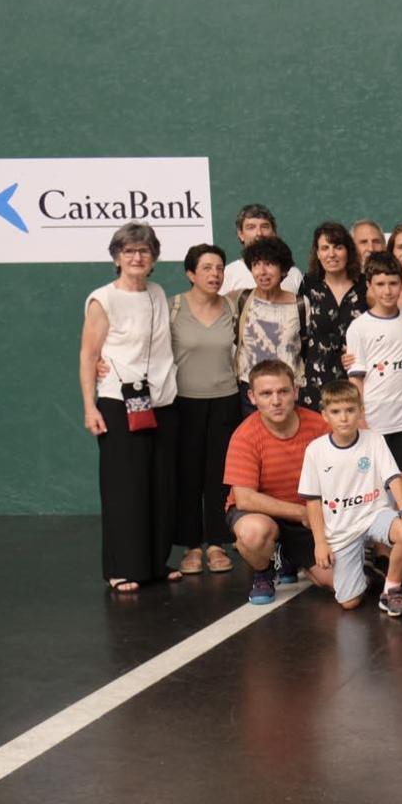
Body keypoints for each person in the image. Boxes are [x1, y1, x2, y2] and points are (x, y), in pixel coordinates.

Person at [81, 222, 182, 592]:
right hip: (117, 403)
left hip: (161, 402)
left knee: (158, 485)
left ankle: (153, 562)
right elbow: (88, 354)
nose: (136, 257)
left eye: (143, 251)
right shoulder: (102, 299)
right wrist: (90, 406)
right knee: (125, 487)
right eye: (129, 251)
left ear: (153, 257)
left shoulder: (157, 292)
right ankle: (120, 567)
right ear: (116, 257)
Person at [299, 380, 402, 616]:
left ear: (361, 411)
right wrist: (320, 542)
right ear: (325, 415)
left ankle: (392, 591)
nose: (344, 418)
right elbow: (313, 501)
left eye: (350, 410)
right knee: (350, 602)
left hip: (374, 514)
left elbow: (393, 478)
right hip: (342, 527)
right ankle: (364, 569)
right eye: (336, 412)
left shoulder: (374, 439)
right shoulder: (315, 450)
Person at [223, 360, 330, 605]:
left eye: (283, 391)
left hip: (307, 514)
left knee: (333, 583)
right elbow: (245, 498)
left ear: (296, 391)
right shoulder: (244, 436)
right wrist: (302, 512)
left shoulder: (319, 427)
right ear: (252, 397)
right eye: (266, 393)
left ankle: (289, 557)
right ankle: (264, 570)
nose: (276, 400)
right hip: (262, 513)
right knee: (253, 533)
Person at [168, 243, 240, 576]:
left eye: (219, 268)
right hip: (182, 402)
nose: (215, 274)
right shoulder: (173, 308)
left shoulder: (234, 306)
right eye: (207, 268)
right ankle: (191, 546)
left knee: (218, 476)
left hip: (226, 400)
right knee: (187, 476)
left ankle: (216, 543)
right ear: (191, 273)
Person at [343, 253, 402, 489]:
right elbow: (356, 378)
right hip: (375, 419)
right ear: (369, 285)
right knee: (376, 483)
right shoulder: (359, 327)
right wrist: (361, 417)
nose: (387, 291)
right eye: (380, 284)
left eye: (393, 283)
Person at [296, 222, 365, 410]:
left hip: (356, 377)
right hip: (316, 378)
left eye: (338, 247)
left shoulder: (365, 286)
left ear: (348, 251)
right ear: (317, 253)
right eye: (325, 248)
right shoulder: (309, 285)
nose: (331, 254)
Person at [231, 236, 303, 410]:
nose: (262, 271)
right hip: (251, 393)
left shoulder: (301, 305)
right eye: (256, 264)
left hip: (288, 392)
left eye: (269, 264)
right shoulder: (241, 299)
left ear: (283, 269)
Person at [220, 204, 302, 295]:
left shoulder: (293, 274)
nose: (259, 233)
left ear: (274, 232)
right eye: (251, 227)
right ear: (241, 234)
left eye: (265, 226)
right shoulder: (228, 274)